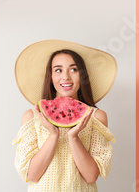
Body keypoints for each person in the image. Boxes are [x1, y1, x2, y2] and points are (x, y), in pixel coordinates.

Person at [13, 40, 117, 191]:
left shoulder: (96, 117)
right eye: (58, 70)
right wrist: (53, 135)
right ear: (50, 76)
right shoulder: (32, 117)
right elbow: (33, 175)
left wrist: (73, 137)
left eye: (73, 69)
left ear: (82, 75)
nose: (66, 77)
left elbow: (90, 176)